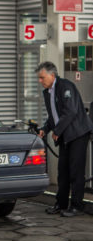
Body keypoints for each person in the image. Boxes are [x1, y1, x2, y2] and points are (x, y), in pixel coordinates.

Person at [35, 61, 93, 217]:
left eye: (42, 78)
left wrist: (57, 131)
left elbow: (71, 111)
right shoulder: (47, 92)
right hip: (65, 136)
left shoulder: (65, 87)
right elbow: (53, 116)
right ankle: (60, 204)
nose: (40, 81)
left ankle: (76, 206)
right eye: (39, 78)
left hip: (77, 134)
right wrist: (45, 129)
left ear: (52, 75)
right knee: (63, 172)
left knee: (75, 171)